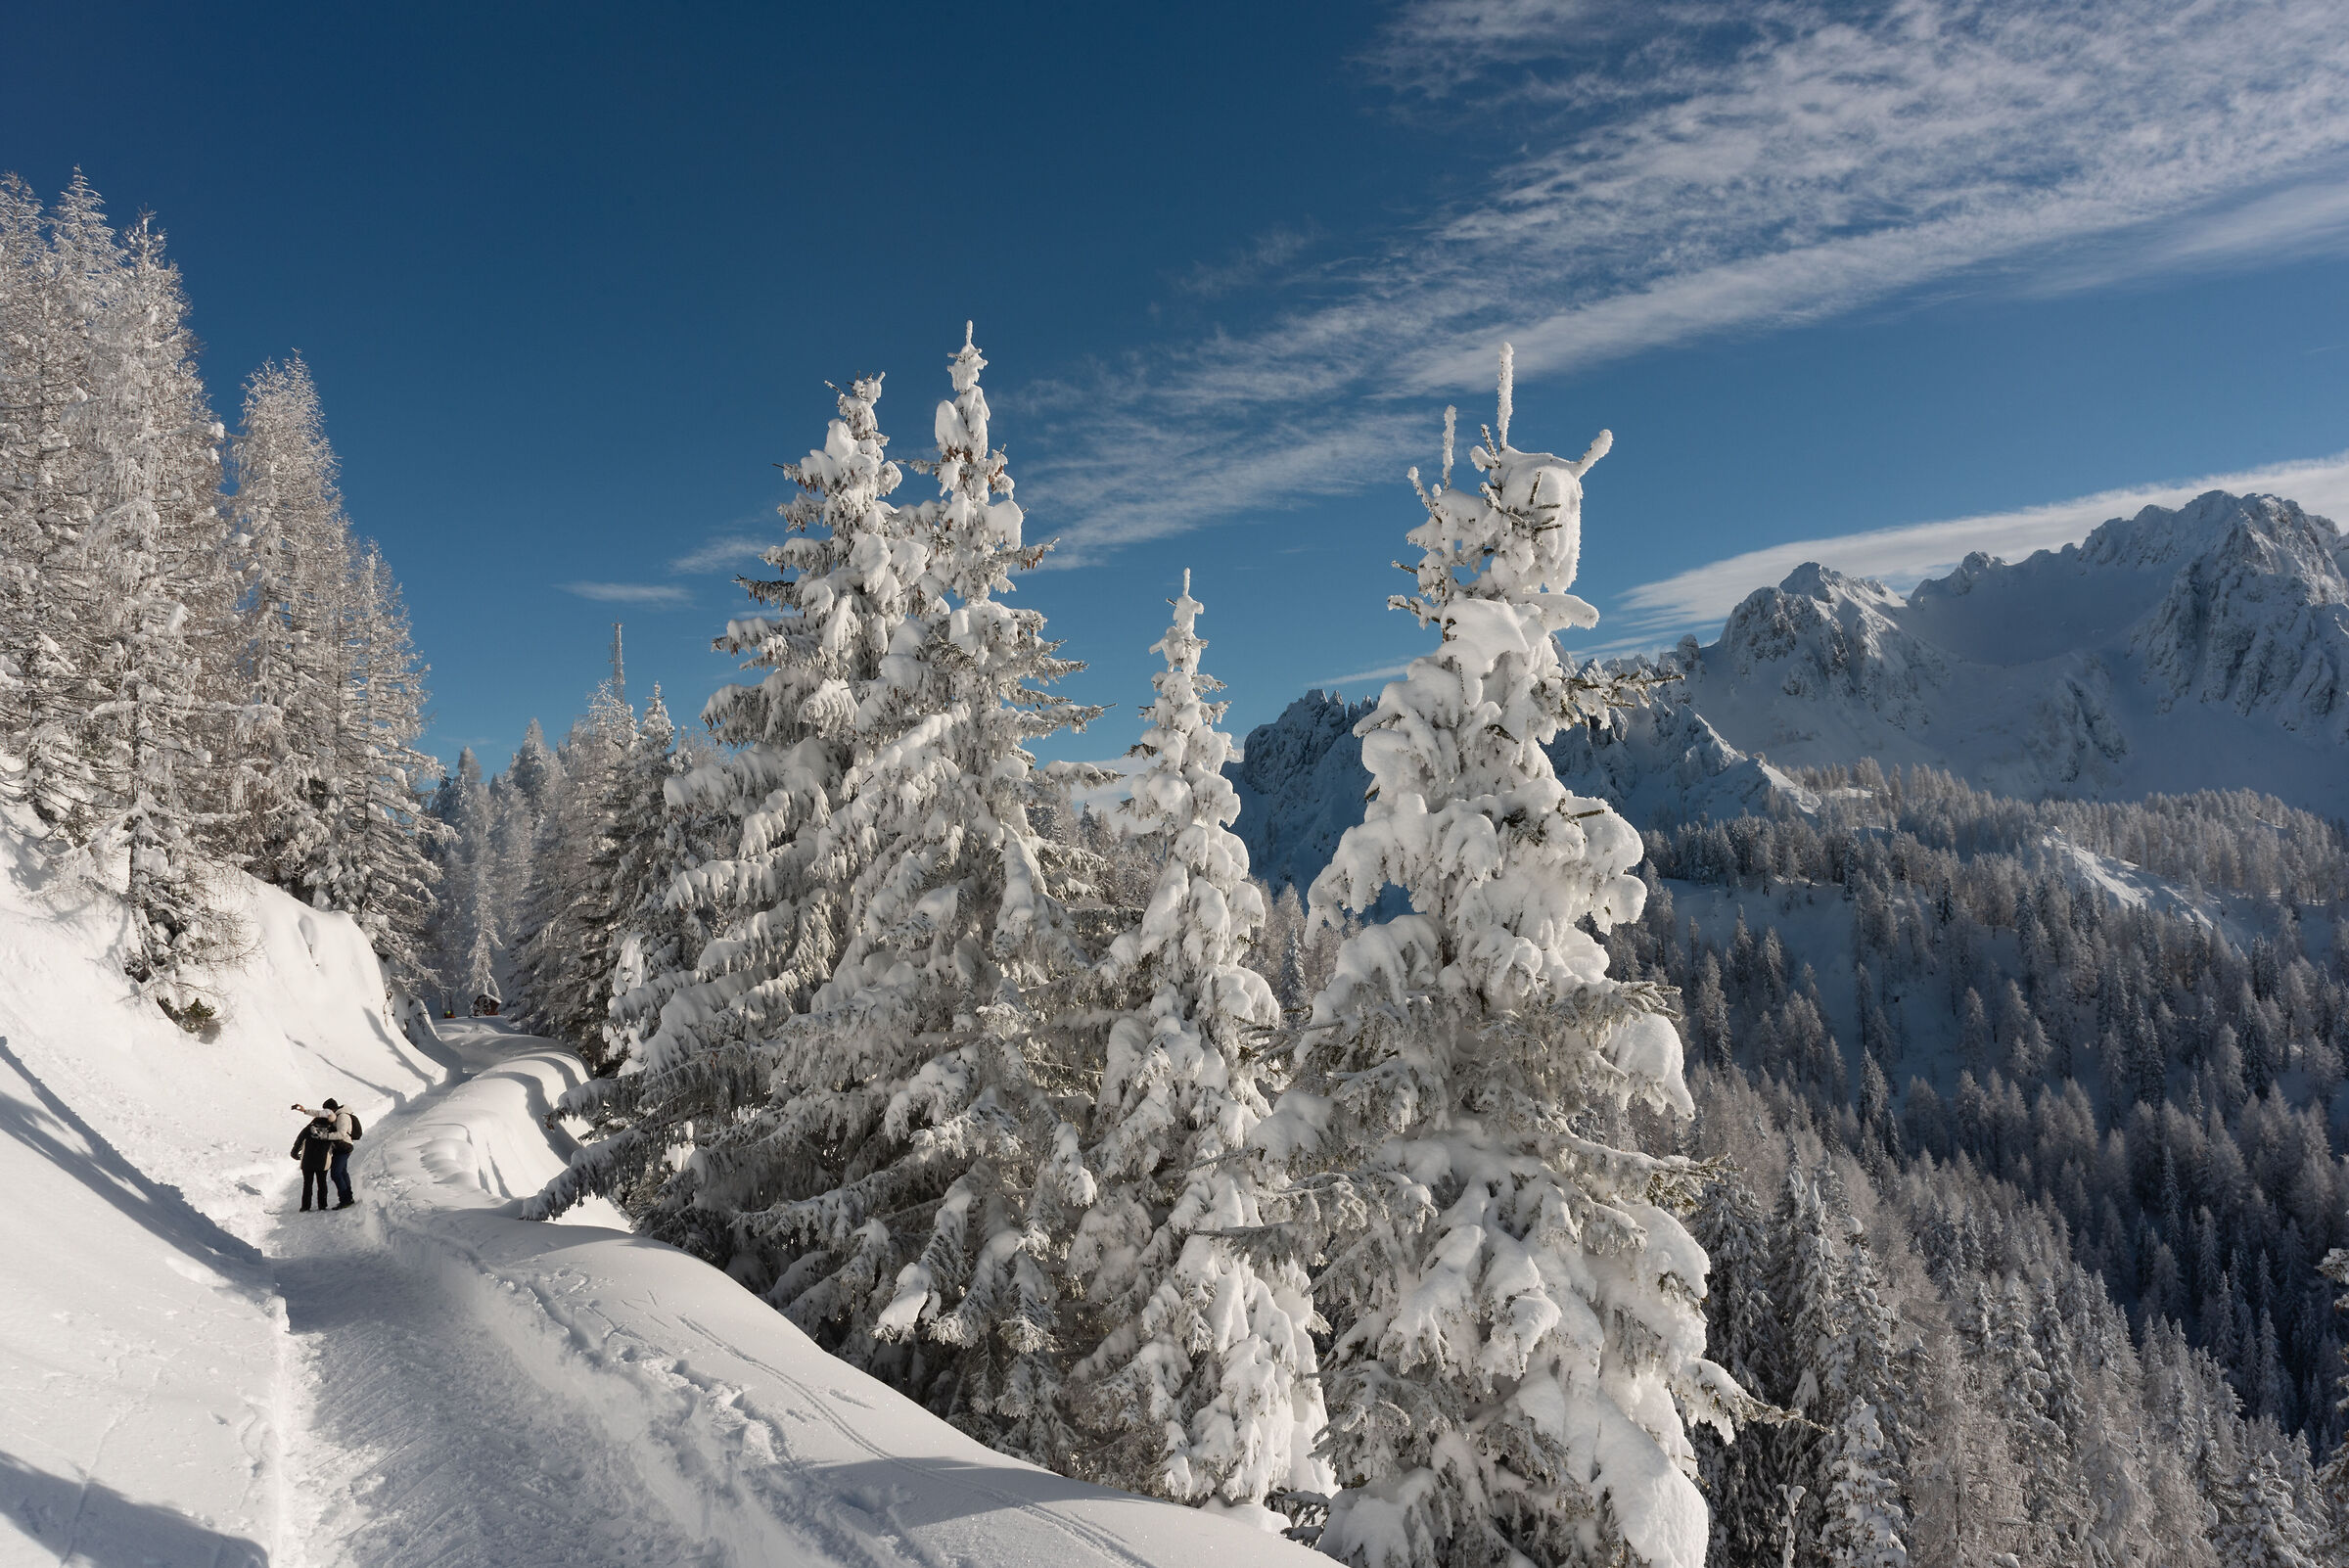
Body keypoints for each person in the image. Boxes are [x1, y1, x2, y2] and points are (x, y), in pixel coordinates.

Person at [291, 1098, 363, 1209]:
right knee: (340, 1173)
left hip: (343, 1147)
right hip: (333, 1153)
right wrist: (304, 1110)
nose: (325, 1112)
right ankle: (339, 1200)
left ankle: (345, 1199)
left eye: (326, 1110)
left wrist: (323, 1136)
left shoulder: (342, 1116)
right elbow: (319, 1113)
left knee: (336, 1173)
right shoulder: (333, 1117)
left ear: (331, 1109)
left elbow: (341, 1134)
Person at [290, 1111, 335, 1212]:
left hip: (307, 1160)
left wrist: (294, 1153)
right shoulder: (331, 1129)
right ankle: (322, 1205)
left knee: (307, 1184)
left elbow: (299, 1141)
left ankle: (305, 1206)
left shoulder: (309, 1128)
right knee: (322, 1183)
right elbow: (336, 1143)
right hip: (323, 1161)